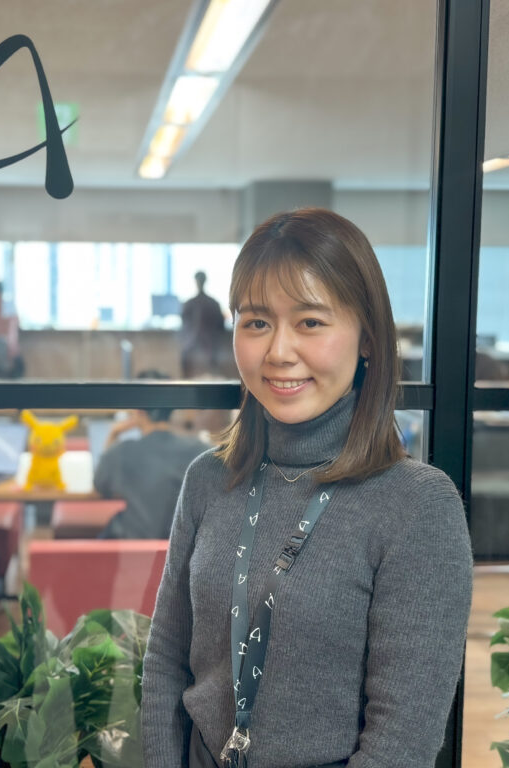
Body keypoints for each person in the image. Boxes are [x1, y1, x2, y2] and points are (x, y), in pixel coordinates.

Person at [141, 208, 472, 767]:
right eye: (256, 322)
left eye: (311, 322)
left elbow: (403, 741)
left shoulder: (417, 505)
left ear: (367, 339)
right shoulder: (208, 479)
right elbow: (165, 663)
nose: (278, 352)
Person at [93, 370, 210, 539]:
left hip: (132, 548)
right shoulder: (198, 449)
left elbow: (99, 485)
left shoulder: (123, 452)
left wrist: (113, 433)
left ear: (137, 410)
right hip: (181, 548)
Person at [180, 270, 226, 378]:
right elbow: (221, 326)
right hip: (207, 343)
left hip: (203, 342)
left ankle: (188, 379)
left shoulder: (190, 303)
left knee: (186, 355)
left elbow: (184, 324)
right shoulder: (213, 303)